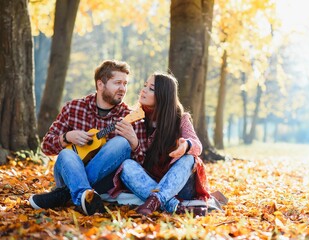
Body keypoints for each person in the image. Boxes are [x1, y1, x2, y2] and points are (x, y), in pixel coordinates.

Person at [29, 60, 145, 215]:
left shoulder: (129, 116)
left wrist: (134, 142)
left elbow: (143, 163)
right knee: (66, 154)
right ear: (100, 84)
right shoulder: (74, 108)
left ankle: (66, 194)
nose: (123, 89)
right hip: (67, 172)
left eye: (125, 84)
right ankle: (81, 193)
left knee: (121, 143)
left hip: (105, 182)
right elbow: (46, 147)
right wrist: (67, 137)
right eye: (117, 83)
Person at [107, 72, 210, 216]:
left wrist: (185, 145)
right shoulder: (134, 118)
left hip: (180, 186)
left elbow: (197, 145)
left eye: (151, 88)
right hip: (150, 184)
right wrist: (135, 144)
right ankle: (173, 206)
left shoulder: (181, 119)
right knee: (126, 166)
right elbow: (139, 166)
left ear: (163, 95)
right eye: (145, 86)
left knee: (189, 158)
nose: (143, 90)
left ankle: (156, 201)